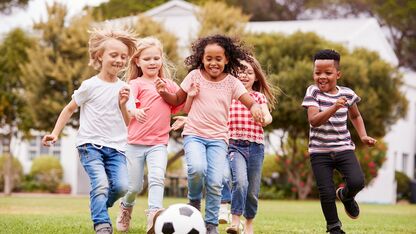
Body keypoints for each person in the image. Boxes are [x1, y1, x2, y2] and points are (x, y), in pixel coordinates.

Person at [155, 34, 264, 234]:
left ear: (227, 59)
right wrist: (163, 92)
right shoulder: (194, 76)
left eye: (218, 59)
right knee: (197, 168)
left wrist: (256, 107)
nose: (213, 63)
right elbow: (177, 99)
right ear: (201, 58)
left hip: (219, 139)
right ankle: (194, 203)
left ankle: (211, 224)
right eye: (209, 59)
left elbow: (249, 100)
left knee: (215, 182)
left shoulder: (232, 82)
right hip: (194, 134)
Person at [41, 26, 137, 234]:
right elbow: (69, 109)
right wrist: (55, 133)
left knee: (121, 187)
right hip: (90, 145)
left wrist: (123, 104)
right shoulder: (89, 85)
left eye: (123, 56)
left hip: (117, 148)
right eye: (114, 55)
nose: (119, 60)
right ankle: (102, 223)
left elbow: (129, 123)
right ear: (99, 56)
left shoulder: (125, 88)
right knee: (101, 184)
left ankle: (99, 204)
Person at [176, 56, 276, 234]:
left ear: (257, 77)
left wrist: (265, 119)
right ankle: (234, 220)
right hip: (233, 144)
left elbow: (267, 116)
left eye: (249, 72)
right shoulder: (228, 93)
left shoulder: (258, 97)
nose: (244, 75)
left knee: (252, 190)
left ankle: (249, 222)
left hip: (255, 146)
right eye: (240, 71)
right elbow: (210, 113)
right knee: (239, 182)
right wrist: (188, 119)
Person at [301, 49, 376, 234]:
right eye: (317, 72)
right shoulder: (313, 92)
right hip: (319, 152)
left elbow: (356, 115)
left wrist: (363, 136)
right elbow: (314, 120)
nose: (322, 77)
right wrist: (334, 107)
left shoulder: (348, 94)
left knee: (357, 181)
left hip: (343, 148)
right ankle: (334, 228)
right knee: (326, 192)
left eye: (328, 72)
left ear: (338, 74)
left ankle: (346, 196)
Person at [115, 37, 182, 234]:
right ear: (138, 61)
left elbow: (181, 102)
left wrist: (193, 95)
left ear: (161, 60)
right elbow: (129, 100)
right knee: (134, 186)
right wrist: (134, 111)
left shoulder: (168, 85)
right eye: (147, 59)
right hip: (134, 143)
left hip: (158, 144)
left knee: (157, 178)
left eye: (156, 58)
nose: (152, 62)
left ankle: (154, 217)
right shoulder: (135, 83)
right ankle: (126, 207)